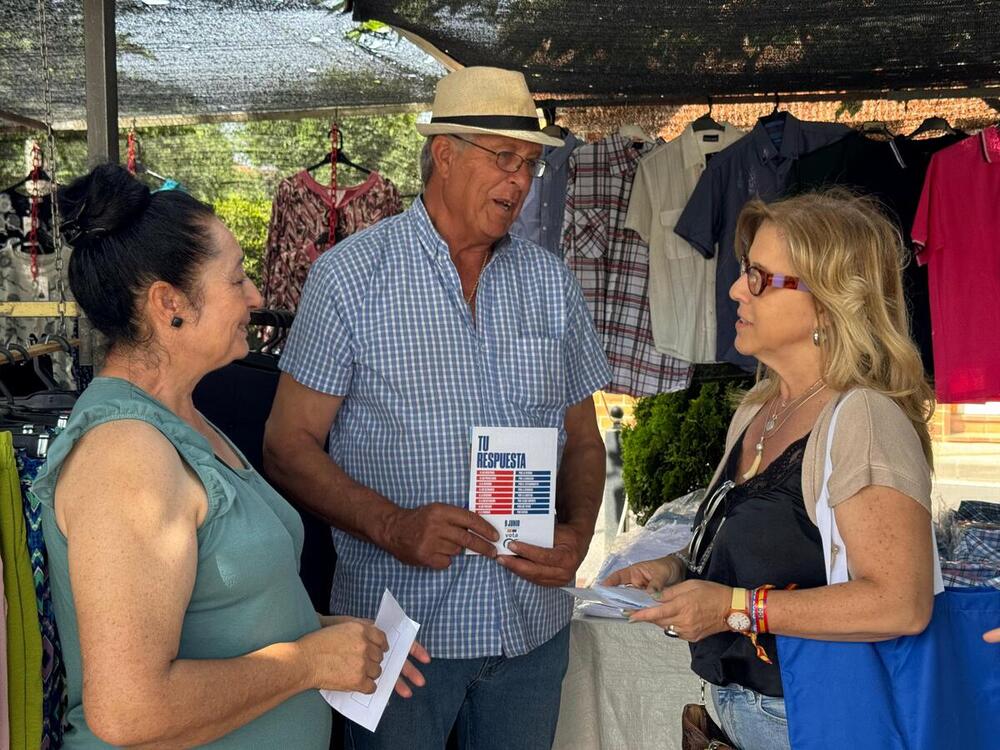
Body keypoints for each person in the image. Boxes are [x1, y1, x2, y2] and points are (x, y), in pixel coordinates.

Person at [264, 66, 611, 750]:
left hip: (529, 633)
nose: (519, 182)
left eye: (532, 164)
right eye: (503, 158)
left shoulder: (549, 282)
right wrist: (391, 524)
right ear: (444, 154)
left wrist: (575, 535)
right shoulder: (350, 278)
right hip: (398, 641)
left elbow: (584, 440)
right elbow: (285, 445)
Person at [30, 164, 428, 749]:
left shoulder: (181, 420)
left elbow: (207, 614)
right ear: (170, 303)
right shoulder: (127, 456)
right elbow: (130, 712)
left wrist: (316, 635)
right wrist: (306, 662)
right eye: (237, 279)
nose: (257, 296)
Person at [605, 189, 938, 750]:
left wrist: (734, 609)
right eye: (743, 271)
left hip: (814, 720)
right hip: (738, 714)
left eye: (759, 277)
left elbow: (901, 604)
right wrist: (674, 568)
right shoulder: (758, 408)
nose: (736, 288)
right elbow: (759, 545)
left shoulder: (864, 419)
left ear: (829, 305)